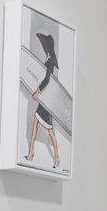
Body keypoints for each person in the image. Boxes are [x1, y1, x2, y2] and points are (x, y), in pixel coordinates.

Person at [24, 30, 63, 169]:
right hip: (45, 99)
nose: (43, 47)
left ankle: (57, 158)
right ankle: (31, 152)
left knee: (50, 131)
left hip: (46, 100)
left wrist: (37, 91)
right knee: (35, 123)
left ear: (47, 47)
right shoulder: (48, 58)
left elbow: (46, 80)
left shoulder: (50, 60)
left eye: (45, 45)